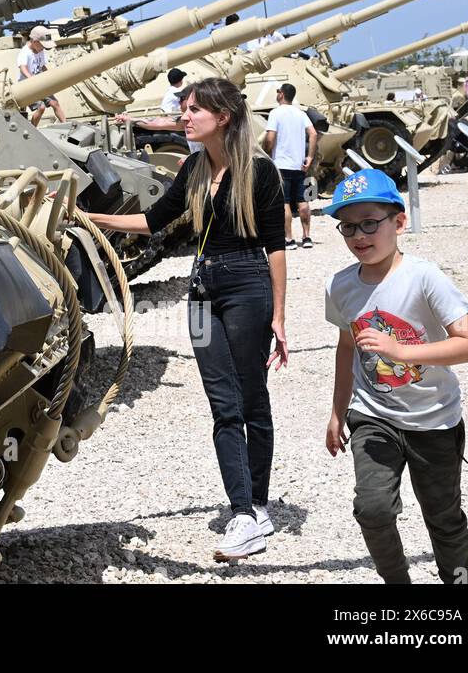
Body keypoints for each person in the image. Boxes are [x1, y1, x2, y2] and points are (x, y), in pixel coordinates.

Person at [87, 77, 287, 563]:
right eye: (184, 108)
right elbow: (155, 221)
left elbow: (276, 246)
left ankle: (257, 506)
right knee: (223, 403)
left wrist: (280, 314)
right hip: (200, 292)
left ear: (223, 117)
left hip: (247, 283)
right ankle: (242, 513)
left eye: (194, 109)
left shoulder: (258, 171)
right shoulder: (194, 167)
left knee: (251, 399)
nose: (185, 116)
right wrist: (90, 219)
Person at [323, 168, 468, 584]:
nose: (359, 235)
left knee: (443, 516)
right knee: (372, 509)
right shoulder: (340, 286)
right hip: (373, 415)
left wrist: (402, 350)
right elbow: (347, 348)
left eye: (370, 223)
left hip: (434, 418)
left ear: (399, 221)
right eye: (348, 227)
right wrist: (338, 412)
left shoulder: (424, 277)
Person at [262, 82, 318, 249]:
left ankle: (289, 239)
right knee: (303, 201)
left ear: (281, 94)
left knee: (284, 202)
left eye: (278, 91)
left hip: (281, 164)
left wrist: (266, 153)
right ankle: (307, 237)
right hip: (299, 164)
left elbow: (270, 137)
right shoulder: (300, 113)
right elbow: (313, 133)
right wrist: (309, 157)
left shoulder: (275, 113)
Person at [114, 67, 201, 153]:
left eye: (182, 98)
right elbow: (158, 123)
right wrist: (130, 119)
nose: (179, 101)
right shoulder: (185, 122)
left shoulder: (202, 120)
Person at [15, 26, 67, 126]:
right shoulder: (25, 52)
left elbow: (42, 66)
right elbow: (23, 67)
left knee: (54, 103)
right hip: (27, 86)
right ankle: (33, 130)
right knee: (41, 107)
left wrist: (49, 75)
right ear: (35, 41)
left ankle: (66, 125)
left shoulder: (40, 51)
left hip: (40, 83)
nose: (43, 48)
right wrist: (31, 78)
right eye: (42, 45)